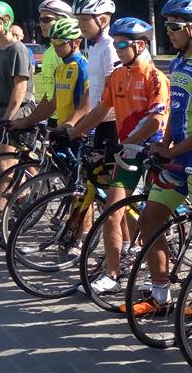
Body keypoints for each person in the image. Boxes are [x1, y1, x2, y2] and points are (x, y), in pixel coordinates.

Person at [128, 0, 192, 315]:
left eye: (173, 26)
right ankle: (161, 296)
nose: (168, 32)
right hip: (179, 153)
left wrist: (173, 150)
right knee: (149, 220)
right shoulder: (178, 62)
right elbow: (175, 110)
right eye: (166, 25)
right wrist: (164, 143)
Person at [69, 17, 170, 297]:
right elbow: (100, 111)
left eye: (122, 44)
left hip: (152, 155)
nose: (117, 49)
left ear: (140, 45)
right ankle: (112, 275)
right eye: (115, 44)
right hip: (128, 154)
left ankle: (156, 275)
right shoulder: (117, 76)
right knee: (112, 213)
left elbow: (156, 121)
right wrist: (73, 132)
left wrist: (127, 142)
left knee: (152, 220)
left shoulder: (155, 78)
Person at [10, 17, 89, 133]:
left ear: (76, 42)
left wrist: (70, 128)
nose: (55, 46)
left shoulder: (83, 68)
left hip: (77, 133)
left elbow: (86, 107)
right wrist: (25, 122)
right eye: (52, 41)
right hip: (62, 131)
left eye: (60, 42)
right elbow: (52, 104)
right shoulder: (60, 69)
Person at [72, 0, 119, 153]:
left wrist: (78, 130)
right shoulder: (94, 45)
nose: (80, 24)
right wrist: (74, 122)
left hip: (113, 124)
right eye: (78, 19)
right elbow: (93, 87)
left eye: (85, 19)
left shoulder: (110, 47)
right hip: (99, 121)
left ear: (103, 20)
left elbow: (109, 98)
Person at [33, 0, 73, 126]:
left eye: (47, 19)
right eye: (40, 20)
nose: (41, 24)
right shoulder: (48, 52)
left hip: (67, 119)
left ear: (64, 20)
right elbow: (50, 93)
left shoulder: (65, 52)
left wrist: (28, 120)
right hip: (52, 117)